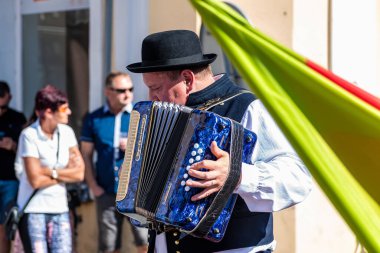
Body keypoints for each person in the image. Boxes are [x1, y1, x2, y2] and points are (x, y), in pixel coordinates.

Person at [126, 30, 313, 253]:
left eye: (155, 88)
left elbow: (298, 179)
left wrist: (238, 175)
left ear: (187, 79)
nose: (151, 98)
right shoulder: (163, 116)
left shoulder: (247, 107)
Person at [80, 72, 148, 253]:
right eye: (121, 90)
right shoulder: (94, 119)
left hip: (136, 192)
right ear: (107, 92)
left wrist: (134, 146)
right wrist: (93, 185)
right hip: (106, 192)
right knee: (109, 246)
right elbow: (85, 154)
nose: (128, 94)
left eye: (130, 89)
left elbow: (154, 150)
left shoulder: (141, 116)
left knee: (145, 242)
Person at [16, 85, 84, 253]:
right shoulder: (29, 135)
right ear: (48, 111)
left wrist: (49, 171)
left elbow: (80, 173)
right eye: (64, 108)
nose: (69, 112)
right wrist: (65, 172)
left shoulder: (67, 132)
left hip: (60, 208)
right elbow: (35, 180)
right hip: (34, 210)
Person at [0, 81, 26, 253]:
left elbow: (27, 151)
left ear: (9, 97)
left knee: (6, 224)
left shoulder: (18, 119)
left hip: (10, 179)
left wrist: (13, 146)